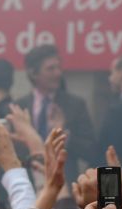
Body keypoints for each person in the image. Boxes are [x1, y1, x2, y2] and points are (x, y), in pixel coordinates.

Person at [15, 45, 96, 180]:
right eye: (50, 69)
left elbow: (91, 150)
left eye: (58, 67)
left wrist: (65, 136)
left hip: (63, 183)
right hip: (28, 184)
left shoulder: (75, 105)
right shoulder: (19, 106)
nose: (58, 73)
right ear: (34, 73)